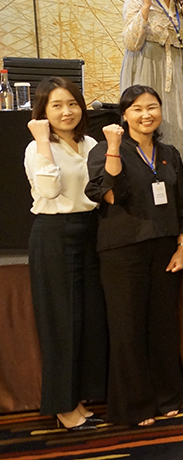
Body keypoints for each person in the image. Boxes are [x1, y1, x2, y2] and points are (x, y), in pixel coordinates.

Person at [85, 86, 183, 426]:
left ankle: (167, 395)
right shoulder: (104, 150)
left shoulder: (169, 153)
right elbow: (111, 195)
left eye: (152, 107)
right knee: (127, 328)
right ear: (125, 114)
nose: (146, 114)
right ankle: (134, 405)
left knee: (163, 326)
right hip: (123, 249)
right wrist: (114, 147)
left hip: (165, 248)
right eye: (137, 109)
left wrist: (182, 246)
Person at [24, 78, 106, 430]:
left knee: (89, 318)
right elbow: (49, 189)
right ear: (43, 111)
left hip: (91, 230)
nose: (66, 111)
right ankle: (63, 406)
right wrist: (43, 140)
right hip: (55, 234)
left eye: (72, 103)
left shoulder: (91, 143)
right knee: (61, 322)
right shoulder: (37, 148)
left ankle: (80, 398)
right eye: (56, 105)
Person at [120, 0, 183, 176]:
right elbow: (131, 42)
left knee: (179, 132)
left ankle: (178, 189)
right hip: (146, 70)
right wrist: (145, 7)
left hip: (178, 78)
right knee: (145, 127)